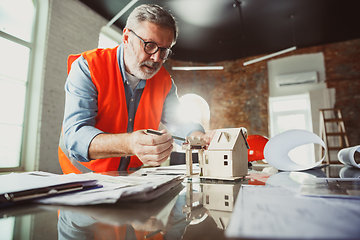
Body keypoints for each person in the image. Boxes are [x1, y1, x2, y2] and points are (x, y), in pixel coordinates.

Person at [58, 4, 214, 174]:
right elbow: (75, 136)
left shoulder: (164, 81)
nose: (156, 58)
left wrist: (201, 137)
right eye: (149, 45)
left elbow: (178, 123)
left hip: (130, 178)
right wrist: (130, 143)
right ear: (126, 37)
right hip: (82, 178)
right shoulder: (88, 67)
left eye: (164, 51)